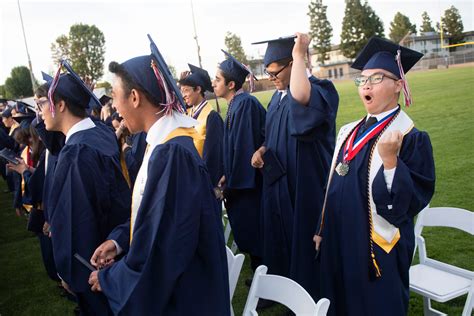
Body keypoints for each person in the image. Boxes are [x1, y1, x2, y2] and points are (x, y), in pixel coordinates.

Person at [88, 35, 230, 316]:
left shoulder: (172, 153)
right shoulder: (163, 143)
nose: (114, 108)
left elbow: (165, 248)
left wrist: (111, 280)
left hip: (187, 297)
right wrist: (119, 241)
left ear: (135, 97)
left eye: (116, 98)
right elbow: (157, 216)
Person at [313, 37, 435, 316]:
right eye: (362, 79)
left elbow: (405, 206)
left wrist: (391, 162)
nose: (365, 85)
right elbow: (332, 184)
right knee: (339, 300)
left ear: (399, 85)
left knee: (374, 306)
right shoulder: (348, 131)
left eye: (377, 78)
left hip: (376, 249)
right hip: (338, 238)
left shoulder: (410, 138)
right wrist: (322, 228)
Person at [250, 33, 339, 299]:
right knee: (281, 237)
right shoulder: (276, 99)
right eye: (268, 72)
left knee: (304, 241)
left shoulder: (320, 92)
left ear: (294, 63)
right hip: (279, 182)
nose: (271, 77)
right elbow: (272, 136)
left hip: (306, 185)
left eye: (276, 71)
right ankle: (284, 291)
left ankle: (309, 298)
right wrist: (262, 149)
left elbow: (303, 117)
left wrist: (300, 54)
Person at [39, 60, 131, 315]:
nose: (41, 113)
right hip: (116, 247)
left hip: (94, 265)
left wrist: (69, 270)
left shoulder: (76, 152)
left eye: (43, 104)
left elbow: (77, 219)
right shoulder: (99, 133)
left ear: (60, 105)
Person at [214, 49, 266, 276]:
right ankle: (259, 277)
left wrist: (232, 184)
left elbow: (244, 147)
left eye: (217, 79)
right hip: (240, 181)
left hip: (249, 185)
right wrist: (227, 174)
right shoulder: (236, 104)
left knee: (257, 235)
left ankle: (265, 285)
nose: (213, 83)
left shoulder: (244, 104)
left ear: (231, 84)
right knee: (251, 234)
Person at [179, 64, 224, 187]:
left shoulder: (211, 116)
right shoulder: (189, 113)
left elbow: (213, 156)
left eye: (186, 90)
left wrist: (209, 184)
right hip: (191, 178)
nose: (183, 95)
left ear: (198, 89)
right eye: (181, 91)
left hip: (205, 182)